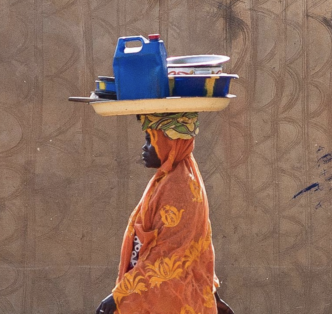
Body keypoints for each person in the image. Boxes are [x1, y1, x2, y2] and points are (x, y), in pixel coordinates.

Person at [96, 113, 234, 314]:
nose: (144, 149)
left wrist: (120, 294)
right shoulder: (169, 180)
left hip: (168, 297)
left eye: (150, 141)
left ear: (170, 143)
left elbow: (167, 255)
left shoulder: (178, 187)